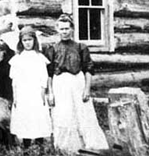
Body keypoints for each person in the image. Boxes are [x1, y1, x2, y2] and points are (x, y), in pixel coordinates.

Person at [44, 14, 109, 155]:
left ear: (72, 29)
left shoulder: (81, 47)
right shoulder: (52, 49)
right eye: (61, 29)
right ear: (57, 30)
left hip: (77, 82)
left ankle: (91, 145)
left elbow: (88, 69)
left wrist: (87, 89)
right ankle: (66, 147)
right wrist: (50, 93)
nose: (64, 31)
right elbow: (49, 74)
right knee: (63, 114)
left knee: (84, 113)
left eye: (67, 28)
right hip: (60, 84)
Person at [9, 26, 51, 149]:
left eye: (30, 40)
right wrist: (15, 96)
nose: (27, 43)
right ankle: (26, 145)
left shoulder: (39, 57)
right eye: (25, 40)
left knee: (38, 115)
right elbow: (14, 80)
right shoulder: (17, 59)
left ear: (35, 41)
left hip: (36, 91)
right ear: (21, 42)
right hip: (23, 92)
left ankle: (39, 143)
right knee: (25, 116)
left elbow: (44, 77)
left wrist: (43, 92)